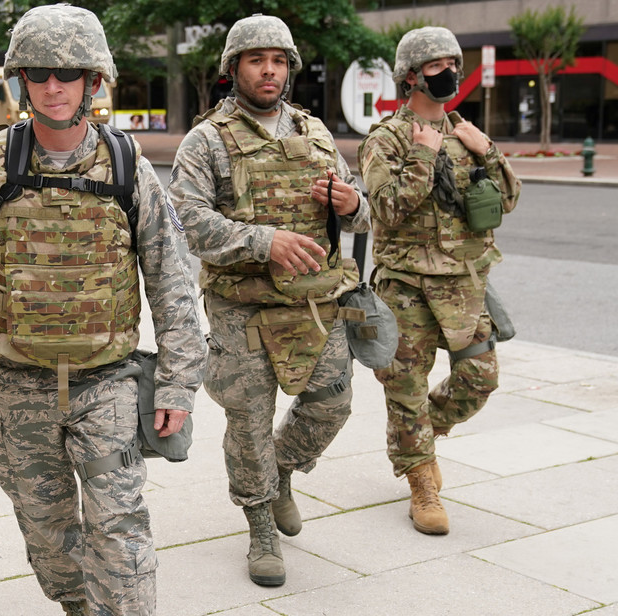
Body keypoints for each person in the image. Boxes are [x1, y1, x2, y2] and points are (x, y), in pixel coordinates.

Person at [0, 6, 205, 616]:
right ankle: (79, 609)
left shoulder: (129, 172)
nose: (52, 87)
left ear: (92, 81)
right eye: (39, 72)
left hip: (108, 385)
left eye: (67, 73)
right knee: (49, 542)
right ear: (22, 78)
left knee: (121, 533)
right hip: (15, 390)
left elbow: (173, 281)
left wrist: (179, 379)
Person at [169, 14, 370, 587]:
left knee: (333, 401)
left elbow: (363, 213)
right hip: (243, 308)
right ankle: (259, 524)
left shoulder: (315, 132)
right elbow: (187, 220)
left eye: (279, 60)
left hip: (315, 302)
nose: (270, 70)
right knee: (249, 421)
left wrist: (351, 205)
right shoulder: (207, 139)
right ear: (234, 69)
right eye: (257, 59)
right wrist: (265, 240)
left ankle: (282, 470)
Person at [358, 26, 520, 536]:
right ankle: (421, 481)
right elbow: (384, 208)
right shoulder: (386, 140)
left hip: (466, 286)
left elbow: (507, 200)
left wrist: (486, 148)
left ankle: (420, 435)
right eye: (437, 66)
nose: (450, 73)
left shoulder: (467, 133)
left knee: (480, 379)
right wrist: (423, 155)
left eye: (454, 62)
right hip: (407, 288)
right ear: (411, 77)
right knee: (404, 389)